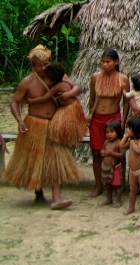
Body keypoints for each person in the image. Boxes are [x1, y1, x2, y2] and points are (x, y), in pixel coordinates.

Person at [3, 45, 81, 208]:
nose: (44, 67)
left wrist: (69, 94)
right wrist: (19, 121)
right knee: (35, 159)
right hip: (34, 123)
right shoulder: (27, 82)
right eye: (40, 65)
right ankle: (38, 192)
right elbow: (15, 102)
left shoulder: (57, 76)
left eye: (46, 63)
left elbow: (77, 87)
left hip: (54, 125)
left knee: (56, 160)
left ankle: (57, 198)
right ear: (33, 65)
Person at [87, 49, 130, 197]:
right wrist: (90, 115)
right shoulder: (95, 77)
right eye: (103, 62)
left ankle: (117, 184)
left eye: (108, 62)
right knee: (96, 153)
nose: (105, 65)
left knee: (117, 152)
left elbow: (126, 102)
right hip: (97, 119)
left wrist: (123, 120)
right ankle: (98, 185)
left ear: (116, 62)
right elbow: (91, 99)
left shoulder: (123, 79)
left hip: (113, 118)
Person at [27, 62, 87, 147]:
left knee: (59, 133)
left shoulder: (57, 87)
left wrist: (31, 101)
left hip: (69, 109)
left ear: (52, 80)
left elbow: (44, 98)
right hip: (71, 105)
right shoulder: (64, 80)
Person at [100, 119, 125, 207]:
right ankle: (109, 199)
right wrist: (102, 153)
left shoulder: (119, 143)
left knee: (116, 185)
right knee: (108, 185)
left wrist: (111, 153)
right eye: (107, 132)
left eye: (112, 132)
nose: (109, 134)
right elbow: (102, 150)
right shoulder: (106, 142)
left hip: (116, 168)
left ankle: (119, 200)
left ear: (118, 132)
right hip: (106, 167)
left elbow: (122, 155)